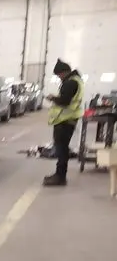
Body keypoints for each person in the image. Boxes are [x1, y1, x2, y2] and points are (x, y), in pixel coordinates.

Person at [43, 59, 84, 187]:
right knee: (62, 148)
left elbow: (65, 101)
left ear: (64, 72)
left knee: (61, 149)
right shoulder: (75, 80)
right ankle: (59, 175)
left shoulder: (70, 83)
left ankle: (60, 177)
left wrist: (52, 98)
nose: (58, 77)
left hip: (65, 120)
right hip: (68, 119)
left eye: (59, 75)